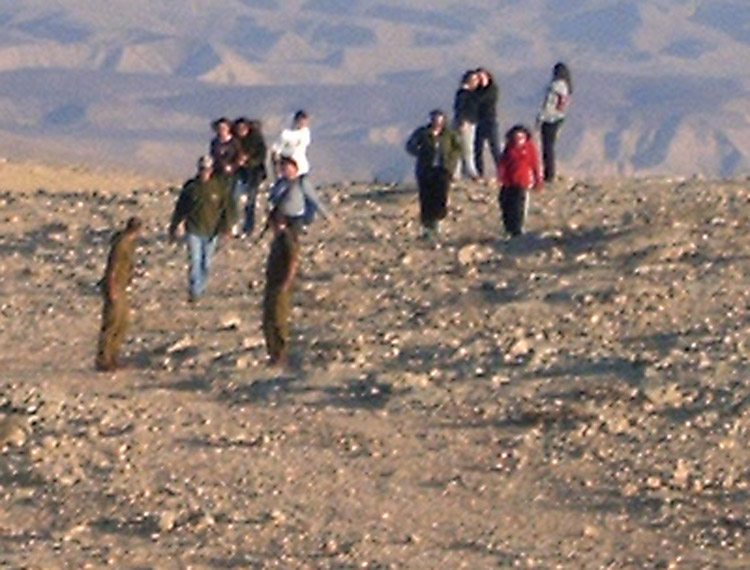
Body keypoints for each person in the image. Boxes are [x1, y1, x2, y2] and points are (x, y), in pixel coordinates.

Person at [168, 155, 236, 302]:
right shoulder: (191, 187)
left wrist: (227, 227)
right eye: (202, 169)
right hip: (194, 230)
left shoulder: (219, 187)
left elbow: (227, 208)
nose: (204, 172)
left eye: (207, 169)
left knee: (206, 263)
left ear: (211, 170)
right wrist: (174, 226)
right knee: (195, 261)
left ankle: (200, 286)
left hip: (212, 231)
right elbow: (180, 209)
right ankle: (195, 292)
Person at [405, 109, 462, 240]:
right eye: (434, 118)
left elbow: (458, 149)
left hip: (443, 170)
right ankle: (427, 228)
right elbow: (410, 146)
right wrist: (420, 154)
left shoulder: (449, 134)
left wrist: (451, 161)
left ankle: (438, 223)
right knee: (426, 198)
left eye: (439, 119)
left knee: (440, 196)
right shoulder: (423, 133)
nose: (436, 121)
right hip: (426, 170)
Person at [95, 216, 142, 372]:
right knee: (112, 322)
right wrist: (111, 288)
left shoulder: (129, 243)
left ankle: (113, 356)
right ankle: (104, 359)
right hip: (115, 285)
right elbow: (112, 267)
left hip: (121, 286)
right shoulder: (121, 244)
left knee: (123, 322)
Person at [261, 206, 300, 367]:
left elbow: (293, 261)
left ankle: (280, 354)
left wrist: (286, 282)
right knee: (268, 319)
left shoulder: (287, 239)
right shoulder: (278, 239)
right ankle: (273, 353)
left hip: (280, 285)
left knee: (278, 319)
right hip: (272, 283)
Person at [266, 155, 332, 235]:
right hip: (281, 217)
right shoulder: (280, 184)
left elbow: (314, 200)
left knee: (293, 237)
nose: (287, 171)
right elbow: (272, 198)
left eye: (289, 168)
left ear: (296, 169)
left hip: (296, 217)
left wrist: (327, 216)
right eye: (284, 169)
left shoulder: (302, 182)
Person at [496, 124, 543, 237]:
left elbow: (535, 164)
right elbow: (503, 163)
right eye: (516, 137)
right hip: (508, 182)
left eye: (521, 137)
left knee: (518, 207)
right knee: (505, 204)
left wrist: (537, 180)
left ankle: (517, 229)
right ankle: (508, 228)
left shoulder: (529, 148)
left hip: (522, 182)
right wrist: (500, 176)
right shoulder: (509, 147)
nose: (518, 140)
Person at [537, 62, 573, 182]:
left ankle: (549, 173)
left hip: (549, 118)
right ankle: (550, 172)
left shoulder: (556, 85)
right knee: (550, 147)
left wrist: (541, 118)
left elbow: (548, 103)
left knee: (547, 148)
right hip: (559, 118)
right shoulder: (567, 87)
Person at [232, 117, 268, 235]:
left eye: (243, 127)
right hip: (238, 174)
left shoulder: (256, 140)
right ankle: (234, 225)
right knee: (234, 199)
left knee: (250, 202)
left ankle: (248, 227)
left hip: (254, 175)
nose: (241, 130)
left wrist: (247, 161)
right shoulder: (234, 141)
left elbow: (261, 156)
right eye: (238, 128)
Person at [452, 70, 481, 181]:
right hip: (465, 123)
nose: (476, 82)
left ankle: (457, 172)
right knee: (466, 147)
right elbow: (459, 108)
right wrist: (462, 121)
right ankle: (470, 171)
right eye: (474, 80)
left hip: (470, 122)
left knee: (463, 147)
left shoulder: (470, 93)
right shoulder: (463, 93)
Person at [473, 67, 502, 179]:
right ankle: (479, 172)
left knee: (495, 148)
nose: (481, 80)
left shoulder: (492, 89)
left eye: (482, 77)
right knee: (477, 148)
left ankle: (501, 172)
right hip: (477, 121)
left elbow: (482, 100)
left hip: (490, 121)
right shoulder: (475, 90)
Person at [270, 110, 311, 180]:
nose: (303, 124)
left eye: (305, 122)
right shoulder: (286, 134)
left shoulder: (305, 133)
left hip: (301, 165)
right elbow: (277, 148)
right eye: (301, 121)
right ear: (296, 120)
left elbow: (304, 143)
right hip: (288, 166)